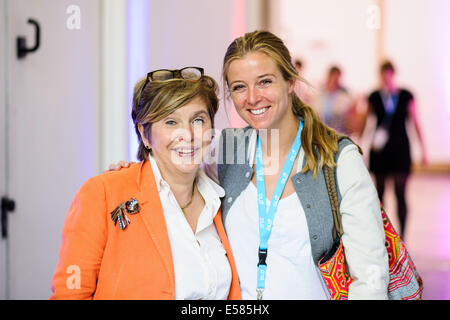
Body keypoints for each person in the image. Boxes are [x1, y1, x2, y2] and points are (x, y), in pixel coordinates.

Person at [111, 31, 389, 300]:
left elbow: (371, 277)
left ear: (289, 81)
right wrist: (137, 171)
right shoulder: (227, 150)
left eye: (265, 81)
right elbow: (174, 170)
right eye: (239, 87)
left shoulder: (337, 158)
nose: (253, 97)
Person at [50, 67, 241, 300]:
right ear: (145, 134)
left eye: (198, 120)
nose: (189, 135)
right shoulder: (103, 193)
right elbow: (70, 294)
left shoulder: (220, 197)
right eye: (171, 122)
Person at [364, 60, 427, 239]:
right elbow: (366, 123)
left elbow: (415, 122)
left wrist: (423, 149)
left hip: (400, 149)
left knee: (401, 193)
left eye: (389, 74)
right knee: (380, 194)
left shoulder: (406, 95)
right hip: (380, 151)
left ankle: (403, 236)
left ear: (393, 74)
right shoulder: (374, 96)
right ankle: (382, 235)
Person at [311, 65, 354, 135]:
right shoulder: (319, 95)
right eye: (334, 78)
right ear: (329, 77)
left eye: (338, 79)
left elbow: (347, 116)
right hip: (321, 133)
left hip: (338, 133)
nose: (336, 81)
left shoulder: (344, 96)